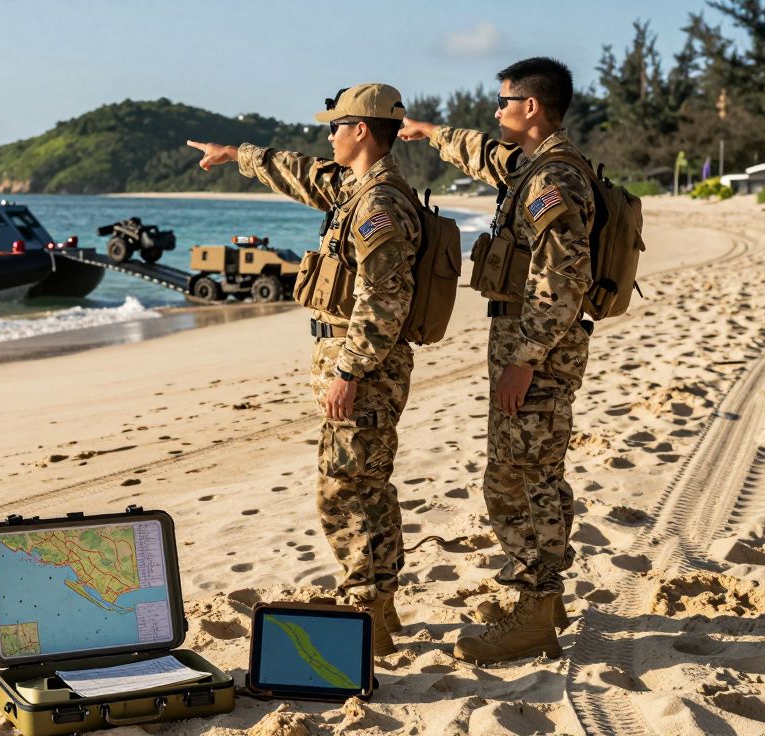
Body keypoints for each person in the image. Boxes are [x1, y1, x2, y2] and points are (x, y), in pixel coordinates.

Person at [187, 83, 421, 656]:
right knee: (367, 486)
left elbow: (382, 298)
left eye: (336, 126)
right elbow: (299, 171)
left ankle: (367, 612)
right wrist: (234, 154)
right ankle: (379, 612)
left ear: (361, 130)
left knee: (343, 491)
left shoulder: (380, 204)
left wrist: (350, 372)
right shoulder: (353, 188)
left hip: (363, 369)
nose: (329, 135)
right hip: (355, 364)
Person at [398, 57, 594, 665]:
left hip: (535, 352)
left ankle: (533, 614)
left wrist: (526, 359)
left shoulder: (552, 181)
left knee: (515, 481)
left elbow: (564, 279)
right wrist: (430, 134)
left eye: (504, 101)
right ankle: (544, 600)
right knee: (540, 473)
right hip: (534, 349)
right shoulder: (534, 166)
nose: (496, 110)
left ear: (531, 107)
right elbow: (485, 152)